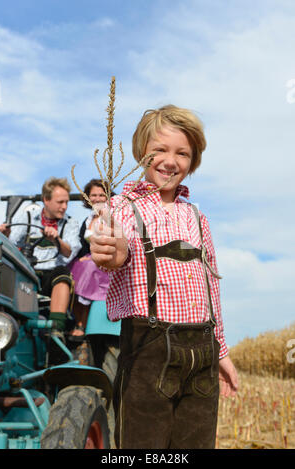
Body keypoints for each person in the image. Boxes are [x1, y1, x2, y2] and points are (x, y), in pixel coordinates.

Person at [90, 104, 238, 449]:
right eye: (159, 150)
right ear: (142, 151)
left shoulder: (198, 218)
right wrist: (113, 251)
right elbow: (104, 244)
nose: (170, 161)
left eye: (182, 153)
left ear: (193, 160)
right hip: (148, 348)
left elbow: (210, 286)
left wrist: (221, 351)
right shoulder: (122, 207)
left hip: (201, 350)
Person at [0, 177, 81, 341]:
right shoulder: (28, 217)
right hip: (28, 272)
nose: (64, 206)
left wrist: (57, 240)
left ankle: (55, 331)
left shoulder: (70, 223)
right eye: (60, 202)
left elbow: (69, 251)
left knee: (63, 274)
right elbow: (11, 244)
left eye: (66, 202)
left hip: (52, 275)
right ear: (46, 200)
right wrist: (5, 235)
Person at [68, 179, 111, 341]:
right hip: (88, 259)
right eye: (94, 195)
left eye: (102, 195)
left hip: (105, 262)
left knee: (86, 269)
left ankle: (82, 323)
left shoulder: (111, 216)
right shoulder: (89, 218)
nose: (98, 198)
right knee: (67, 268)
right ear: (88, 198)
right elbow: (80, 246)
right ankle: (71, 318)